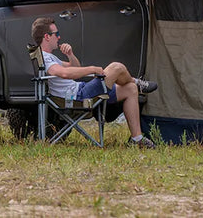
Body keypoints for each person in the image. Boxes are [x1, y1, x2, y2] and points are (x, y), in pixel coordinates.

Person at [31, 17, 158, 148]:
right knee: (116, 67)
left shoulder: (50, 56)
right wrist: (92, 69)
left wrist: (70, 54)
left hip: (79, 89)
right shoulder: (45, 58)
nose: (59, 37)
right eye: (56, 34)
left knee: (130, 89)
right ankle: (137, 82)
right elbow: (64, 73)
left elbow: (74, 67)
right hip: (77, 96)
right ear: (47, 37)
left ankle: (136, 139)